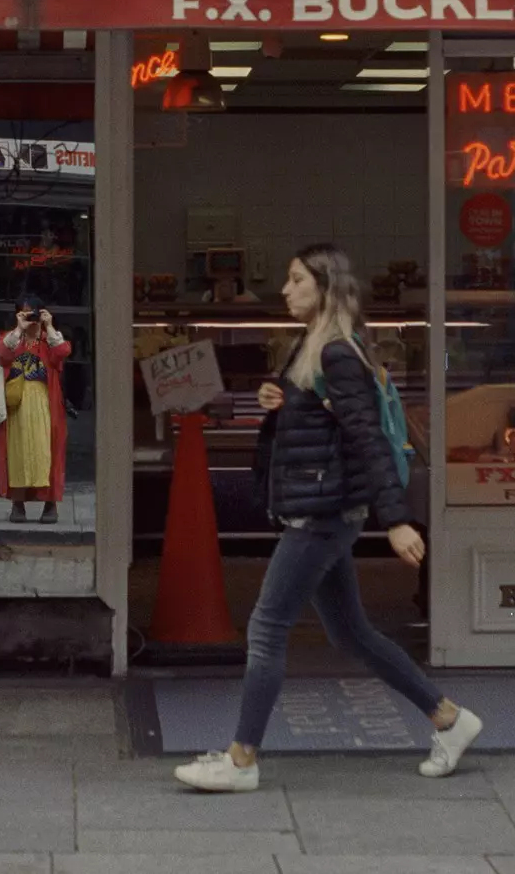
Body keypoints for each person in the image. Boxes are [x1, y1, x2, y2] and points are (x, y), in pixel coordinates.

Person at [174, 243, 482, 794]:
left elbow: (366, 438)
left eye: (296, 280)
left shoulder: (337, 351)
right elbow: (323, 422)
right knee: (350, 632)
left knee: (267, 628)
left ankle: (241, 760)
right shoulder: (312, 345)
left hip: (322, 514)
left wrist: (398, 520)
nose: (285, 290)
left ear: (324, 287)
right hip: (324, 508)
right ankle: (449, 719)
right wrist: (281, 397)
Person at [0, 295, 70, 525]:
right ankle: (18, 504)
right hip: (17, 407)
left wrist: (49, 325)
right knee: (16, 455)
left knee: (47, 454)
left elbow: (63, 352)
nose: (31, 318)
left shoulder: (49, 340)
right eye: (25, 313)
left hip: (45, 406)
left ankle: (50, 504)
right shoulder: (10, 338)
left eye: (33, 312)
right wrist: (18, 329)